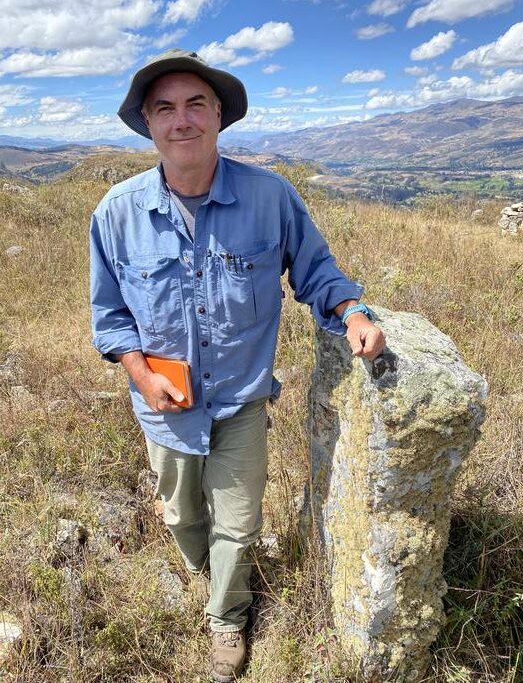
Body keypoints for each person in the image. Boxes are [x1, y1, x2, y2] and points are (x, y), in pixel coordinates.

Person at [90, 48, 385, 682]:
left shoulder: (269, 197)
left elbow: (317, 272)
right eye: (165, 108)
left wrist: (353, 312)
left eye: (197, 103)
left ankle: (227, 616)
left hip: (242, 400)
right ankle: (209, 570)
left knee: (240, 519)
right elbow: (110, 315)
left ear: (219, 114)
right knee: (181, 516)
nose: (183, 120)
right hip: (163, 405)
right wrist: (140, 373)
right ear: (149, 123)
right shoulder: (116, 212)